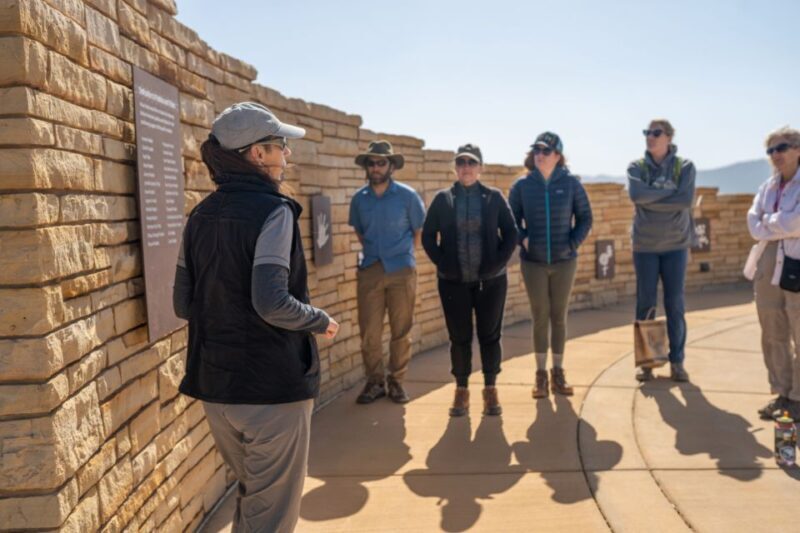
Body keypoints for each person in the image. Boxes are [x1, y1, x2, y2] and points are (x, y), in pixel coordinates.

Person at [173, 102, 339, 532]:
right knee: (272, 517)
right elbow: (271, 302)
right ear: (257, 154)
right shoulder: (275, 212)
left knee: (254, 500)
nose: (287, 155)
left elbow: (181, 304)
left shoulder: (198, 217)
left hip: (216, 389)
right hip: (271, 391)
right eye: (281, 146)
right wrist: (319, 319)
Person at [422, 144, 518, 417]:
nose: (466, 167)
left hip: (491, 282)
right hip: (454, 283)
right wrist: (444, 264)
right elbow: (429, 236)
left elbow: (511, 234)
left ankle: (490, 390)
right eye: (461, 162)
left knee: (490, 336)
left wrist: (496, 264)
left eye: (471, 163)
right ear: (455, 167)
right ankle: (461, 391)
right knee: (459, 338)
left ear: (480, 167)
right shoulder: (444, 199)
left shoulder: (493, 198)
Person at [509, 132, 593, 399]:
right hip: (533, 263)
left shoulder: (570, 184)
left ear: (558, 156)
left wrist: (572, 243)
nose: (540, 155)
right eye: (537, 151)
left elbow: (585, 217)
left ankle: (558, 373)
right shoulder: (522, 186)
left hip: (564, 261)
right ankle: (540, 376)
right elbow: (511, 221)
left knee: (559, 317)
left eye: (546, 151)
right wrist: (523, 240)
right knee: (539, 316)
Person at [349, 140, 426, 404]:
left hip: (402, 270)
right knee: (369, 331)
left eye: (381, 162)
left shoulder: (407, 196)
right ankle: (374, 382)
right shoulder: (359, 199)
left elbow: (417, 231)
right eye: (372, 163)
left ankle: (396, 382)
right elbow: (359, 231)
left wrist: (402, 256)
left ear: (391, 165)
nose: (376, 167)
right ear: (367, 167)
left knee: (400, 330)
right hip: (370, 269)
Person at [628, 119, 696, 383]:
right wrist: (669, 198)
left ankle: (676, 361)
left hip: (676, 245)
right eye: (647, 132)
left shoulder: (684, 167)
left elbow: (685, 200)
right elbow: (636, 196)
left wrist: (651, 198)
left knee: (675, 304)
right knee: (646, 303)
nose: (650, 137)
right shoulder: (637, 167)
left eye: (656, 133)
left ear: (669, 137)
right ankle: (648, 362)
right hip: (645, 245)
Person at [745, 126, 800, 420]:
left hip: (796, 263)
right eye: (771, 150)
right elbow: (753, 224)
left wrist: (771, 221)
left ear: (797, 149)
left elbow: (795, 224)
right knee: (772, 332)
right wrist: (778, 223)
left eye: (782, 147)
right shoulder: (767, 187)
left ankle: (798, 398)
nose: (775, 155)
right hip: (767, 264)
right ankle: (782, 393)